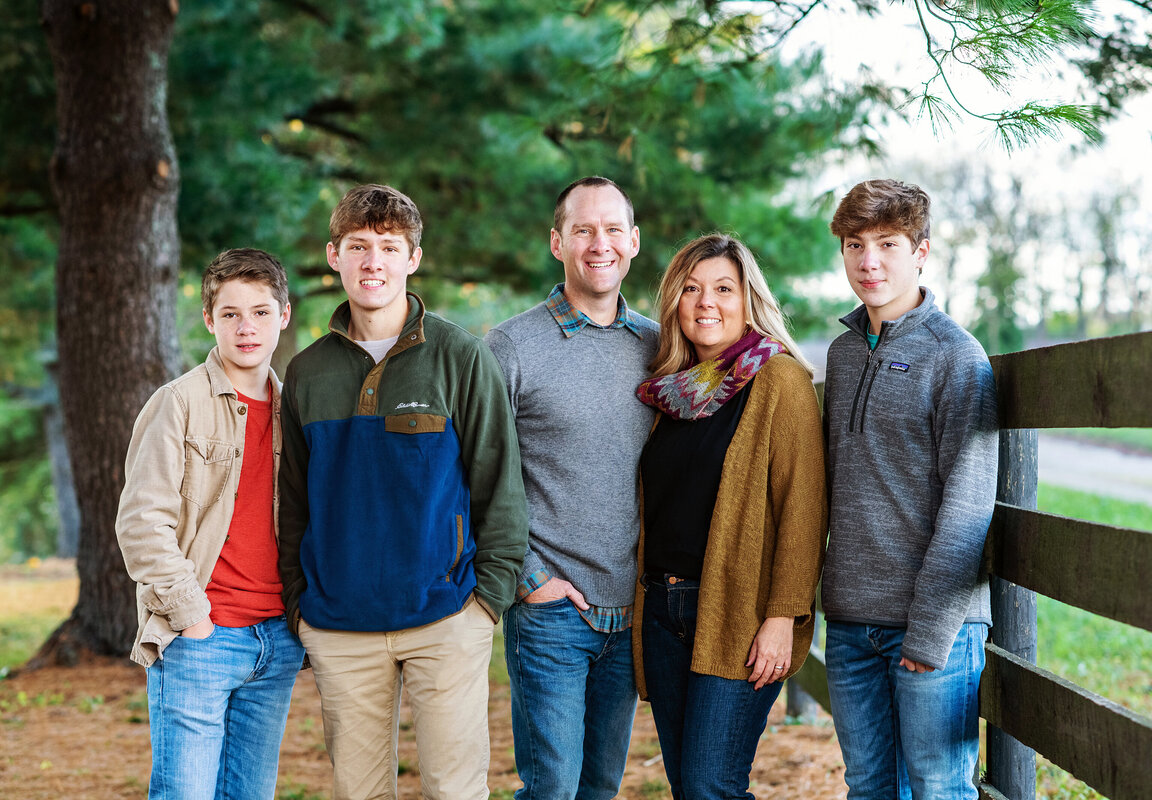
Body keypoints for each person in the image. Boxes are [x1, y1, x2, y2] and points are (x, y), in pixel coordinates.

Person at [276, 184, 528, 800]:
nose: (373, 262)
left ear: (413, 258)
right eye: (358, 247)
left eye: (390, 247)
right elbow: (293, 504)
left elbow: (499, 482)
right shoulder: (307, 372)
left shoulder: (462, 356)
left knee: (455, 790)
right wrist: (298, 605)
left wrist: (486, 602)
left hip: (446, 618)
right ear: (333, 254)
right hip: (339, 625)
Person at [632, 233, 827, 799]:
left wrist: (782, 618)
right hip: (663, 609)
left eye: (723, 288)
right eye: (690, 289)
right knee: (689, 786)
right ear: (673, 302)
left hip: (738, 612)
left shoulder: (779, 380)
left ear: (749, 300)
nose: (705, 303)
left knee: (710, 784)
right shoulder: (670, 393)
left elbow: (803, 509)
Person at [822, 178, 999, 800]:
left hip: (931, 628)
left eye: (888, 244)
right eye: (855, 244)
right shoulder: (843, 356)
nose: (869, 262)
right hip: (848, 623)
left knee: (937, 788)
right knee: (868, 785)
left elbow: (970, 502)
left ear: (921, 251)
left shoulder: (957, 356)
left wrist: (930, 631)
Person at [484, 176, 659, 799]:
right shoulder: (510, 345)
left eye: (613, 229)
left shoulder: (659, 347)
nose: (599, 243)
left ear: (633, 242)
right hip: (552, 609)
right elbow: (474, 474)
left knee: (600, 787)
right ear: (557, 241)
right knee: (551, 787)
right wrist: (529, 580)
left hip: (633, 610)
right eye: (583, 229)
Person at [114, 248, 305, 800]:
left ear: (284, 316)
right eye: (230, 314)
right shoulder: (177, 403)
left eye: (261, 312)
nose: (246, 328)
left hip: (276, 638)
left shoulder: (295, 410)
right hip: (202, 637)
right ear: (208, 319)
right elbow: (141, 523)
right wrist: (192, 616)